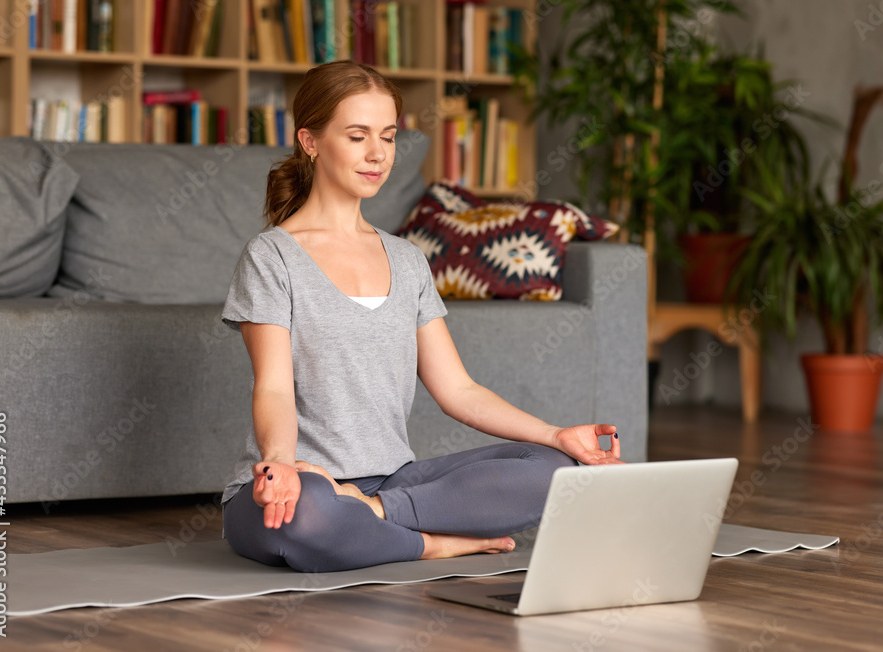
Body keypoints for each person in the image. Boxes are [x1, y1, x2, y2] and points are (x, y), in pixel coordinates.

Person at [219, 60, 622, 573]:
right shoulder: (272, 257)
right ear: (311, 141)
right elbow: (273, 387)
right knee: (307, 519)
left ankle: (377, 516)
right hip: (301, 484)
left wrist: (554, 434)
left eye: (387, 137)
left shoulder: (407, 260)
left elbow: (459, 391)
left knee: (555, 468)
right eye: (357, 135)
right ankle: (434, 542)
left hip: (393, 482)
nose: (376, 154)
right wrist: (279, 462)